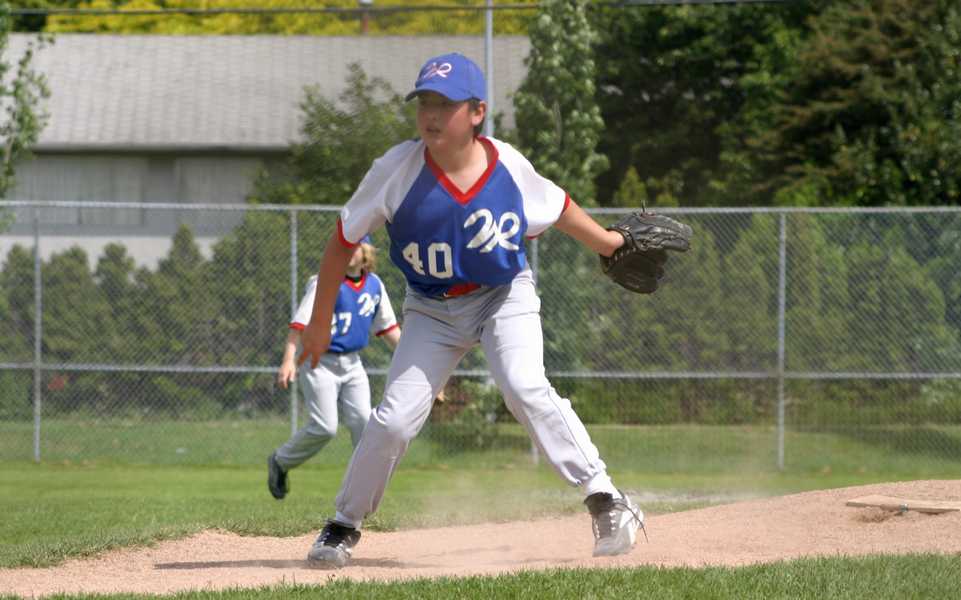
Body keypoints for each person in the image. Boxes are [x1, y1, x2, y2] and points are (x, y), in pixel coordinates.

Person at [297, 52, 644, 568]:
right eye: (425, 103)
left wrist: (610, 243)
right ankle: (343, 525)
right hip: (431, 309)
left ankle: (607, 500)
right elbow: (340, 243)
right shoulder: (395, 170)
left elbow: (558, 207)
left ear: (477, 111)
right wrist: (319, 322)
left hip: (503, 295)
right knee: (393, 421)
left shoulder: (507, 166)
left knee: (524, 387)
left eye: (446, 104)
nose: (431, 115)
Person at [267, 236, 400, 500]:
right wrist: (288, 360)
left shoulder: (374, 284)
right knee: (325, 427)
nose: (349, 251)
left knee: (364, 424)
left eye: (355, 247)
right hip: (319, 362)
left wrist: (416, 364)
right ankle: (280, 461)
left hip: (353, 364)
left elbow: (389, 330)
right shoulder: (324, 281)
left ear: (366, 252)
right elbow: (299, 325)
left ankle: (361, 492)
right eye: (344, 247)